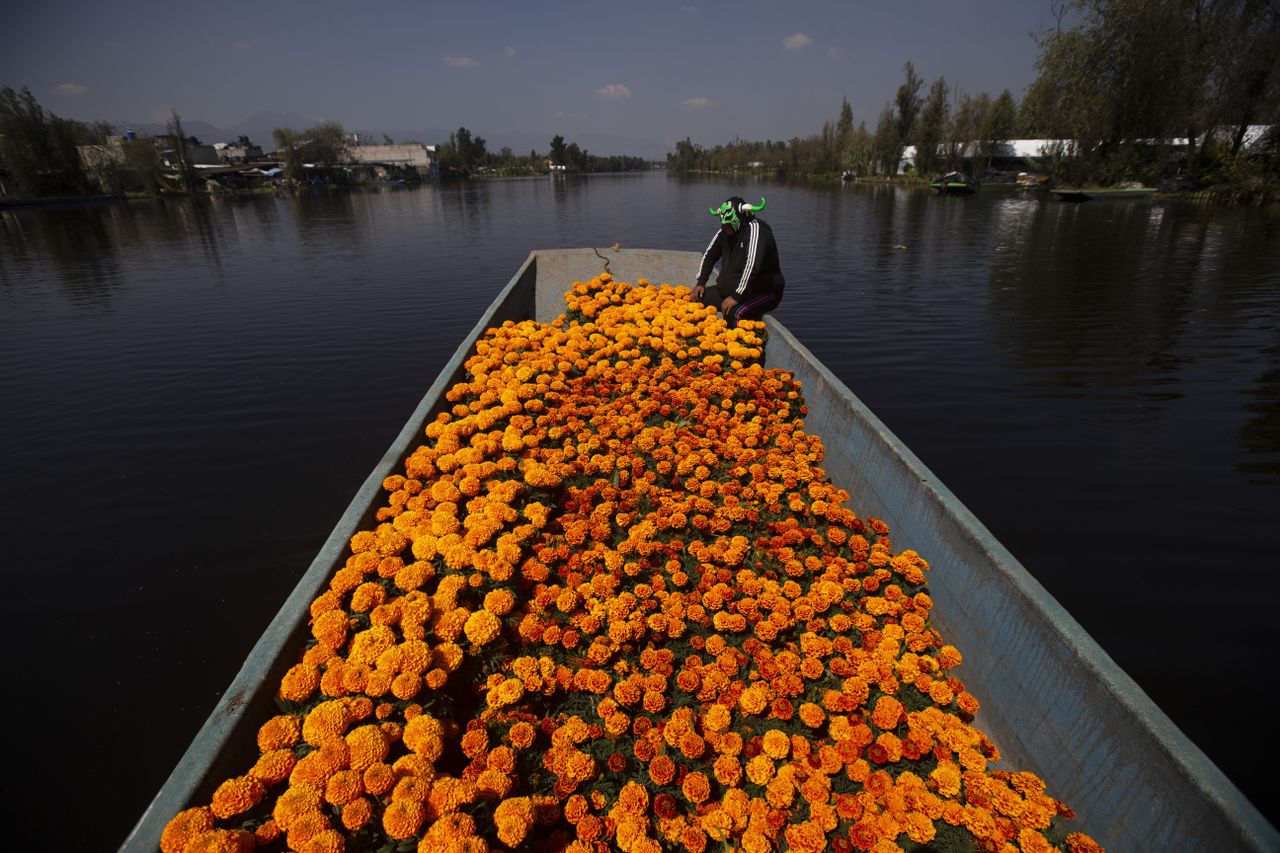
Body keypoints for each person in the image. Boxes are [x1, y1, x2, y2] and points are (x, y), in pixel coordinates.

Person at [691, 195, 785, 328]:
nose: (726, 226)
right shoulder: (725, 231)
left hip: (762, 292)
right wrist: (701, 282)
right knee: (696, 299)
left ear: (740, 217)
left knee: (733, 313)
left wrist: (736, 296)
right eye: (723, 223)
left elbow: (753, 266)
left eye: (729, 222)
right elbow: (710, 256)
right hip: (730, 291)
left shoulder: (755, 231)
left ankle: (738, 344)